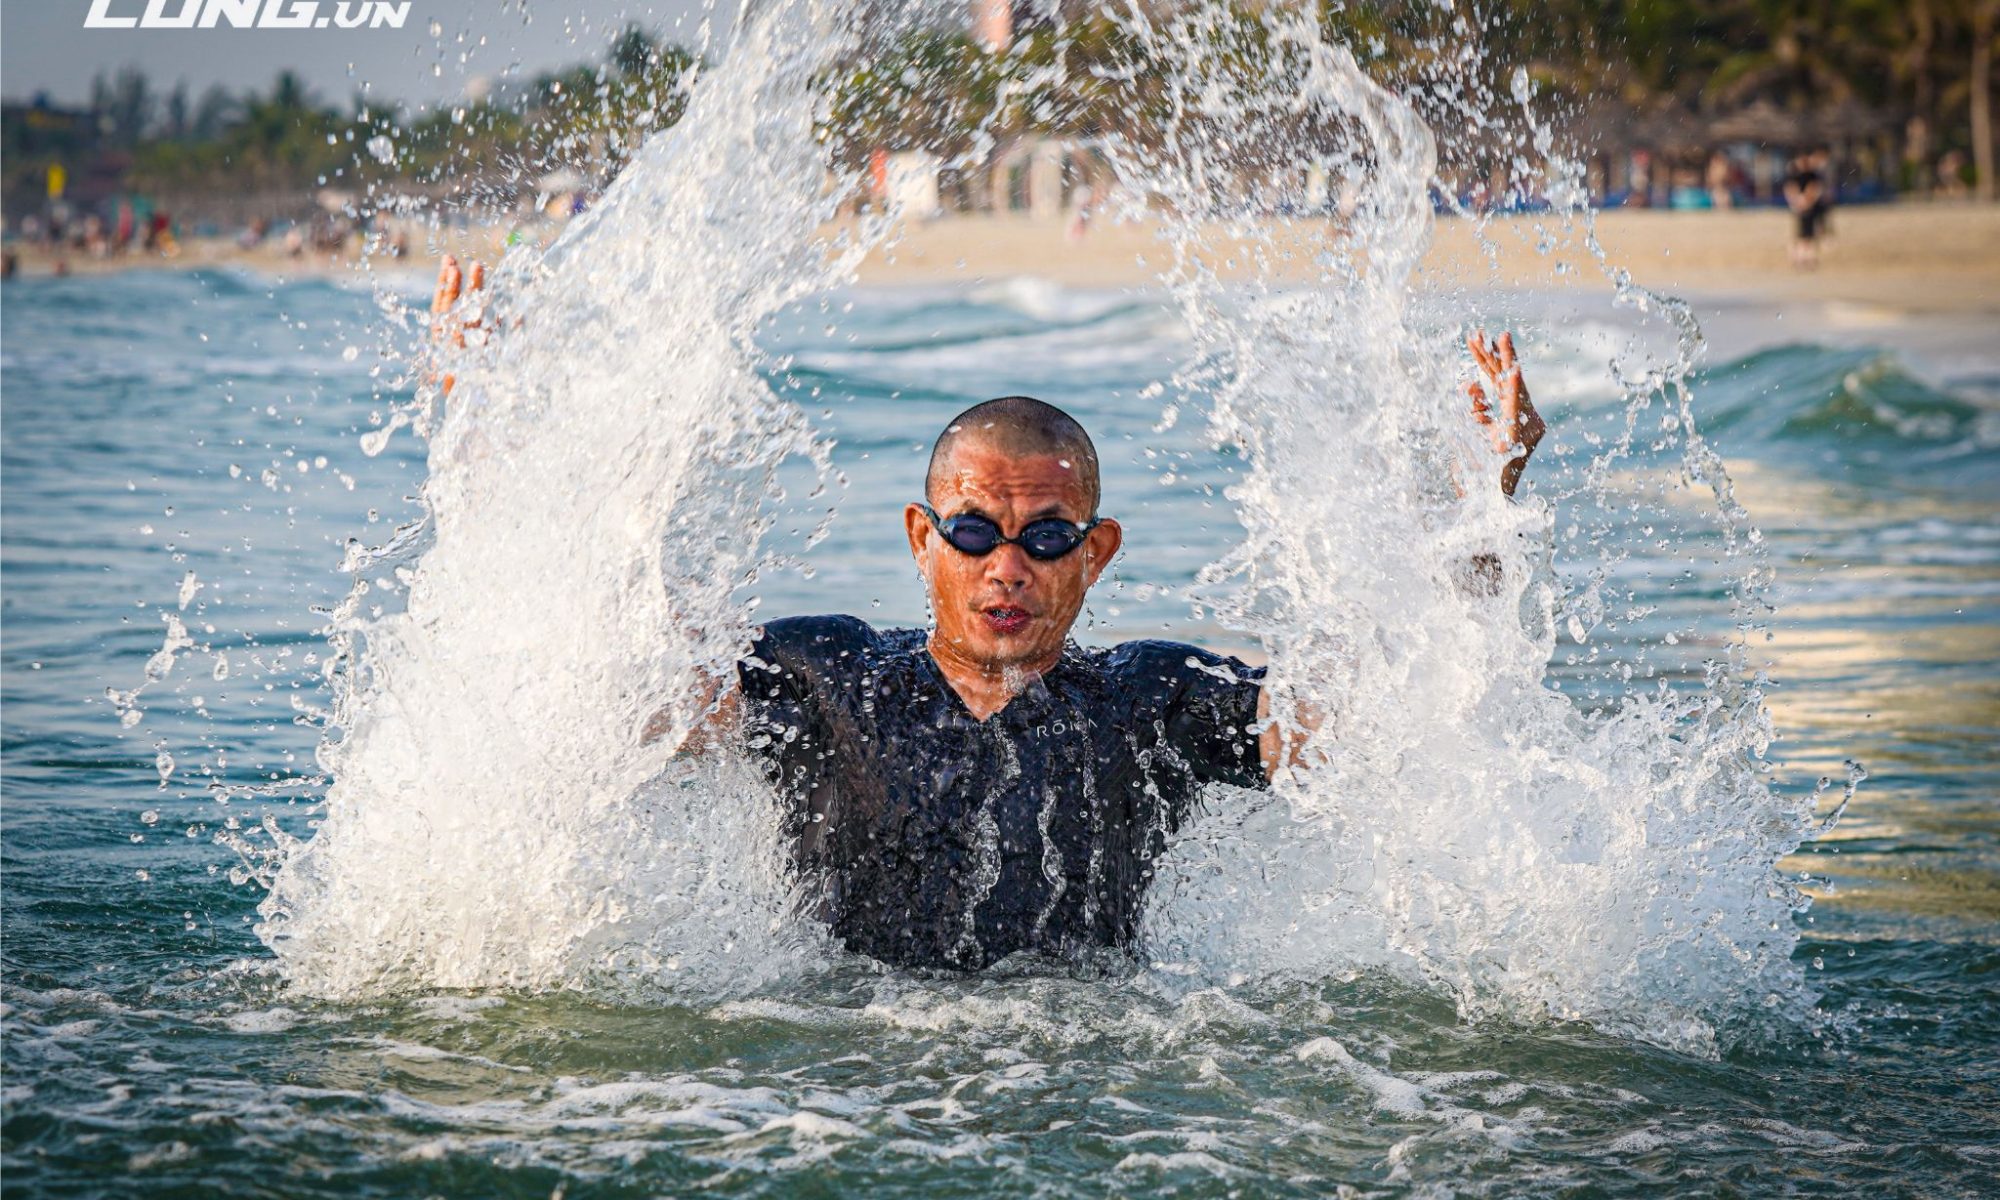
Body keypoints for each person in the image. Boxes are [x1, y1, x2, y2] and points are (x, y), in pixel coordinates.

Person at [429, 256, 1544, 970]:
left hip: (1082, 1075)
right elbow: (597, 701)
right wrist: (495, 462)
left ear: (1092, 555)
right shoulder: (822, 680)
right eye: (973, 532)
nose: (1005, 563)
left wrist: (1479, 516)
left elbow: (1392, 710)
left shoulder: (1152, 701)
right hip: (845, 1073)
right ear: (923, 542)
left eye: (1044, 536)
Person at [1783, 150, 1828, 270]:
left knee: (1810, 234)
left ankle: (1808, 258)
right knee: (1801, 234)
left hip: (1809, 206)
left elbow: (1814, 188)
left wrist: (1807, 200)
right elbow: (1790, 189)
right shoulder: (1794, 174)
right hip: (1800, 206)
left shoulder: (1812, 174)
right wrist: (1797, 201)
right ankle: (1800, 258)